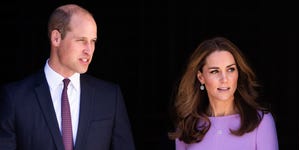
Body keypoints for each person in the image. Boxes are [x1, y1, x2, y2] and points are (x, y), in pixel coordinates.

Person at [0, 4, 135, 150]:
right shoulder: (15, 98)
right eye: (81, 40)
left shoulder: (109, 97)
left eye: (93, 41)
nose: (89, 50)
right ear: (56, 38)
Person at [168, 36, 278, 150]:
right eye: (215, 71)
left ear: (238, 73)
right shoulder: (187, 126)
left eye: (230, 69)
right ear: (201, 77)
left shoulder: (260, 121)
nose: (224, 79)